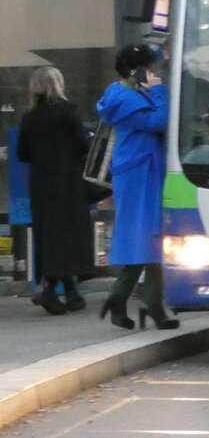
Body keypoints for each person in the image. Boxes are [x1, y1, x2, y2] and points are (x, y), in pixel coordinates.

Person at [95, 43, 178, 330]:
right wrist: (159, 90)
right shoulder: (126, 99)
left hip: (141, 170)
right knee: (150, 235)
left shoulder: (125, 94)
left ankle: (129, 299)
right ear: (137, 70)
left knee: (152, 235)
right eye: (152, 66)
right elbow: (158, 121)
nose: (156, 72)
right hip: (139, 172)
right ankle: (145, 302)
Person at [16, 66, 94, 316]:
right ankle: (51, 290)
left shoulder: (30, 117)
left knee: (48, 236)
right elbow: (82, 145)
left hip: (41, 185)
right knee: (69, 234)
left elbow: (22, 153)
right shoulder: (68, 111)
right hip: (67, 183)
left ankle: (70, 291)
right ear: (58, 84)